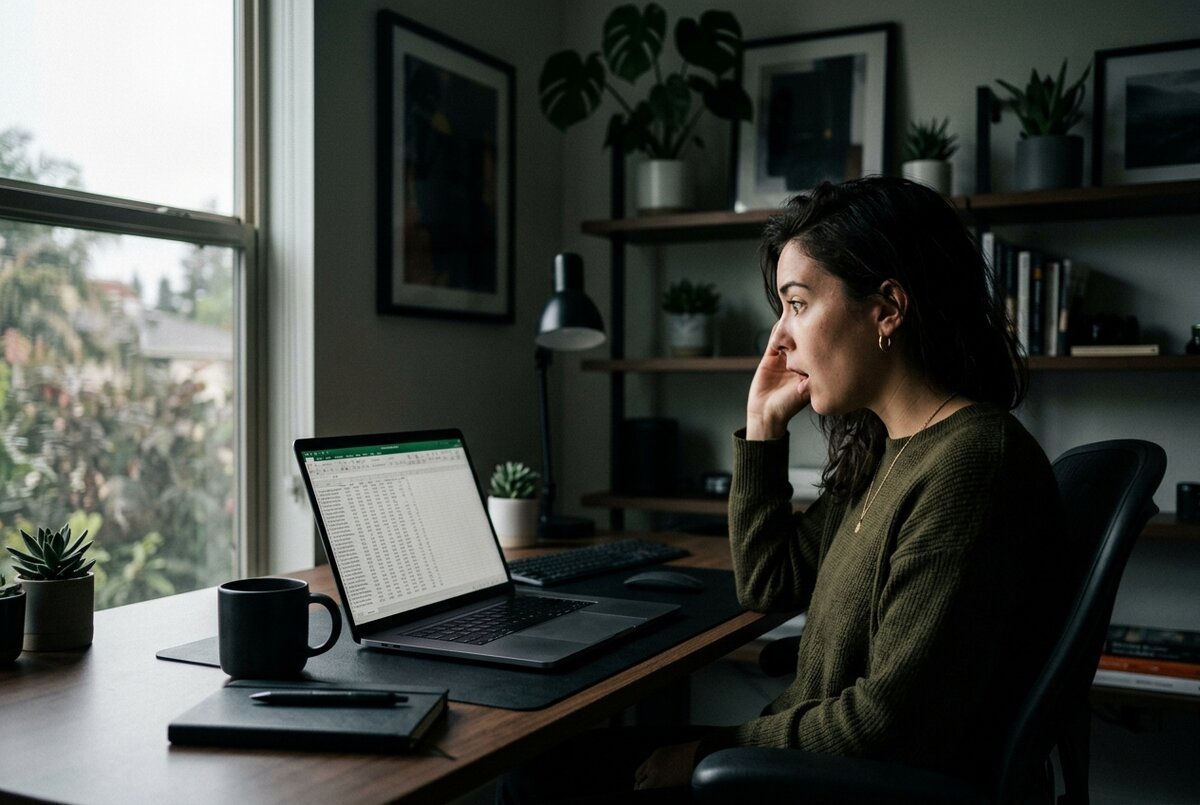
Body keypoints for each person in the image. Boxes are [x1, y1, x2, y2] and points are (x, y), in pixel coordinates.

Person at [499, 176, 1064, 803]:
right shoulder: (888, 450)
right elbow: (768, 584)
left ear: (887, 309)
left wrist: (708, 754)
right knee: (543, 766)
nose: (780, 337)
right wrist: (763, 425)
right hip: (801, 758)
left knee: (536, 779)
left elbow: (886, 725)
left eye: (797, 303)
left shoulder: (971, 463)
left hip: (835, 781)